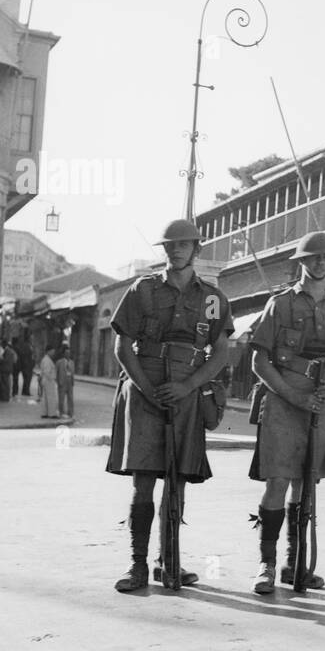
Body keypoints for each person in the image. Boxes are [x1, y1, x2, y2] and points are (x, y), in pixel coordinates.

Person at [107, 219, 234, 592]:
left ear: (197, 248)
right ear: (164, 250)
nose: (176, 250)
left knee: (176, 484)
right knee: (143, 482)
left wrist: (189, 386)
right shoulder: (143, 290)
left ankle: (170, 563)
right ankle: (138, 566)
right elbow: (122, 346)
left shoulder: (211, 298)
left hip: (186, 393)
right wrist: (145, 389)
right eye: (170, 245)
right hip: (144, 389)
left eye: (184, 244)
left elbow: (221, 352)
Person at [247, 231, 325, 594]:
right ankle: (265, 566)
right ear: (301, 261)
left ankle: (294, 564)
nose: (319, 263)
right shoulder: (280, 305)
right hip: (284, 401)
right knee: (278, 483)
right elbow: (258, 361)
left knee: (306, 485)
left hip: (322, 402)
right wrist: (289, 395)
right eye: (313, 257)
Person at [38, 345, 59, 418]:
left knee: (45, 397)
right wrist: (52, 378)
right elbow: (47, 372)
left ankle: (45, 413)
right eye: (52, 351)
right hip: (48, 380)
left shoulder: (46, 359)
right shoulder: (47, 360)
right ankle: (52, 413)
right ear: (48, 351)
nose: (53, 353)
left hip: (45, 380)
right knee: (51, 397)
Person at [56, 344, 75, 418]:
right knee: (61, 398)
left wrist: (73, 382)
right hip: (62, 382)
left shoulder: (72, 362)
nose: (68, 354)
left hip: (69, 382)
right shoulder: (59, 362)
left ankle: (71, 412)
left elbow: (73, 373)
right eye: (66, 353)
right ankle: (61, 412)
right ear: (64, 354)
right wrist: (58, 382)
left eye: (69, 353)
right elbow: (56, 373)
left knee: (70, 398)